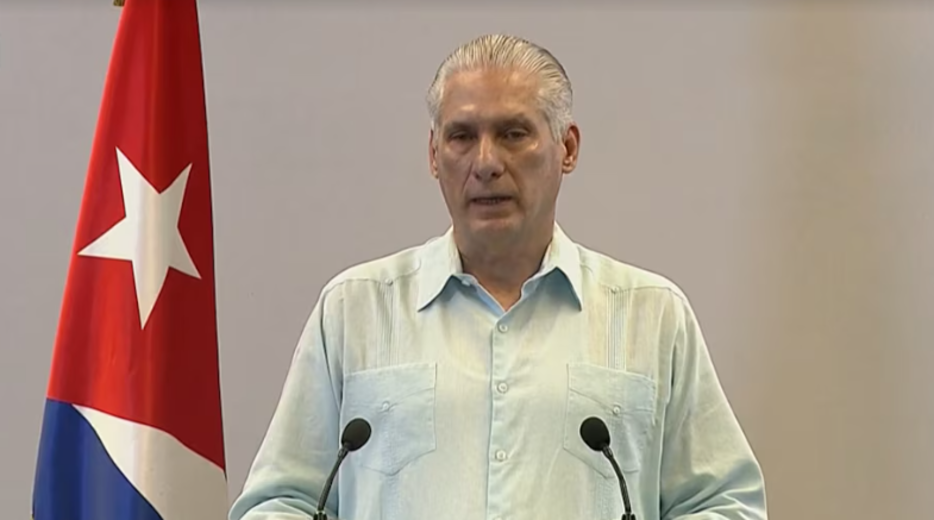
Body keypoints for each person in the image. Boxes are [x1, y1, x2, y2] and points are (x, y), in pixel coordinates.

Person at [228, 34, 767, 520]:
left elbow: (725, 505)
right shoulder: (355, 310)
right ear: (434, 155)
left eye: (513, 133)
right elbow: (279, 504)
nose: (485, 162)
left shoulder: (651, 315)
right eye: (462, 136)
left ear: (567, 148)